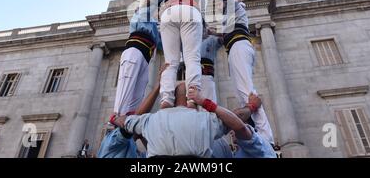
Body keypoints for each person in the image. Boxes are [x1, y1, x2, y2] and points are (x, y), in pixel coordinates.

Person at [110, 83, 253, 158]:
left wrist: (115, 118)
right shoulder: (206, 120)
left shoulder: (150, 119)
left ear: (172, 99)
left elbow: (125, 121)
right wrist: (205, 102)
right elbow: (238, 120)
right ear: (191, 99)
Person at [156, 0, 216, 108]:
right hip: (189, 8)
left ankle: (166, 99)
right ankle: (192, 97)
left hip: (168, 13)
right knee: (192, 58)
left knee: (170, 61)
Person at [223, 1, 275, 145]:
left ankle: (265, 136)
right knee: (242, 95)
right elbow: (223, 35)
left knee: (248, 93)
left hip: (239, 46)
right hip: (235, 48)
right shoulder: (228, 18)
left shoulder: (235, 6)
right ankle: (256, 130)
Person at [97, 64, 168, 158]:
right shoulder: (111, 142)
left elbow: (155, 155)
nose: (137, 123)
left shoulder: (133, 149)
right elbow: (133, 120)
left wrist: (142, 136)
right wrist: (157, 88)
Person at [113, 1, 161, 116]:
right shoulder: (144, 13)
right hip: (134, 51)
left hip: (145, 59)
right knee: (126, 87)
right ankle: (117, 119)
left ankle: (129, 123)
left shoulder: (155, 25)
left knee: (138, 95)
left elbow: (160, 43)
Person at [200, 31, 223, 103]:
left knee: (208, 97)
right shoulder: (190, 38)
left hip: (206, 71)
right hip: (192, 72)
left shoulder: (211, 39)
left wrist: (214, 33)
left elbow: (223, 39)